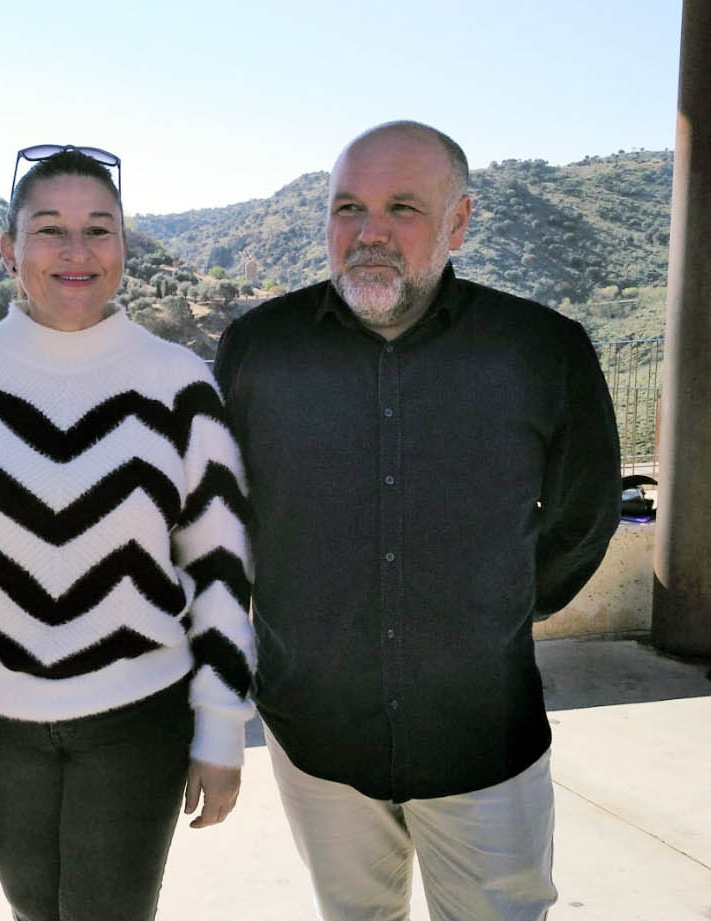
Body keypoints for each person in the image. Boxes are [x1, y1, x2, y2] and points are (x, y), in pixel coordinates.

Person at [214, 120, 621, 921]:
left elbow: (582, 514)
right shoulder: (257, 349)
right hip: (316, 735)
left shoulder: (540, 349)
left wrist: (499, 607)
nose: (368, 233)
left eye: (401, 207)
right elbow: (221, 515)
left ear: (457, 222)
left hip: (482, 734)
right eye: (345, 208)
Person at [0, 146, 258, 921]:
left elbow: (221, 568)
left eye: (98, 229)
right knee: (33, 910)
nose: (75, 252)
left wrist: (221, 727)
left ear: (123, 245)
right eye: (49, 229)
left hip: (139, 716)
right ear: (9, 248)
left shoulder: (179, 383)